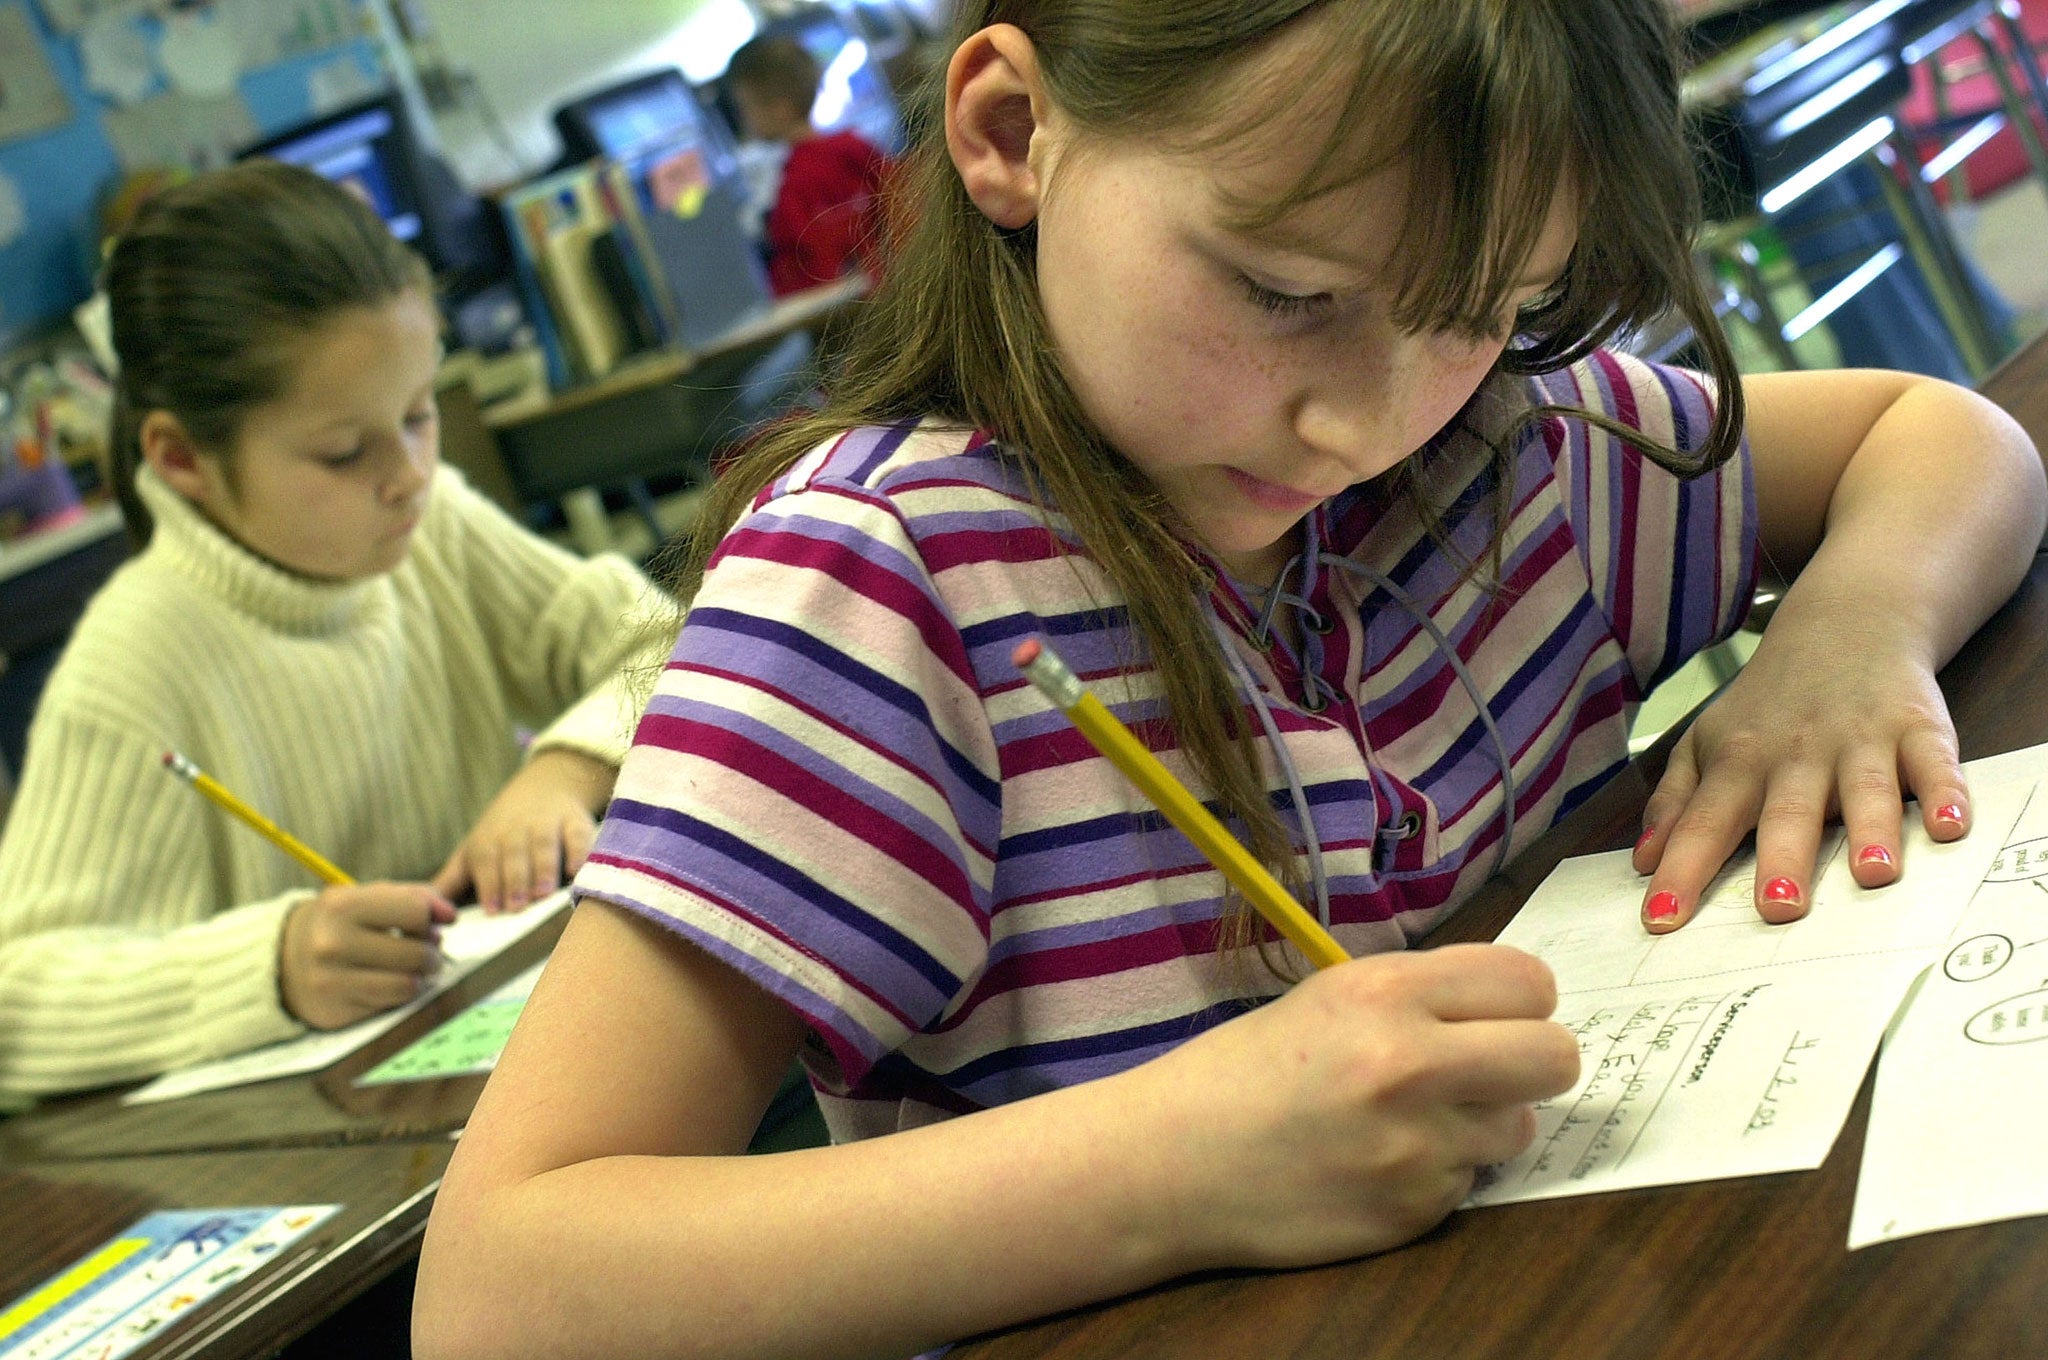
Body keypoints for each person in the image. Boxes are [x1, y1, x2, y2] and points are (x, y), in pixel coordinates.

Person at [414, 4, 2047, 1358]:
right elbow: (500, 1294)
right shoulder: (883, 589)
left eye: (1485, 309)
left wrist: (1844, 636)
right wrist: (1172, 1166)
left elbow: (1944, 438)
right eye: (1281, 295)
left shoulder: (1506, 457)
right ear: (1007, 135)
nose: (1366, 421)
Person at [0, 161, 665, 1108]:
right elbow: (17, 1000)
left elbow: (676, 643)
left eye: (420, 413)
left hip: (500, 1073)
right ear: (183, 458)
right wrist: (270, 967)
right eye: (346, 451)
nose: (408, 474)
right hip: (323, 1149)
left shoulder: (431, 522)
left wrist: (565, 766)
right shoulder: (133, 663)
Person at [726, 32, 894, 296]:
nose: (745, 121)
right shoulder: (855, 147)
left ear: (780, 110)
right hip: (893, 287)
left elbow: (795, 269)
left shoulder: (794, 183)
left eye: (746, 108)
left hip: (844, 309)